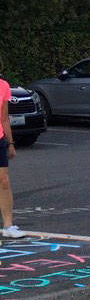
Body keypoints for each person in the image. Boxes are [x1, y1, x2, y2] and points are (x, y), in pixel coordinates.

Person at [0, 73, 24, 239]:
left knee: (4, 181)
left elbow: (4, 118)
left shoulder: (3, 85)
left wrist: (11, 143)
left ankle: (8, 225)